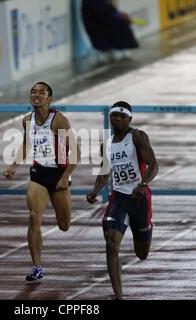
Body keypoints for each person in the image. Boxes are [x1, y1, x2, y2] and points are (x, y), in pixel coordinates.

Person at [4, 82, 81, 281]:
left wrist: (65, 178)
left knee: (64, 225)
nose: (36, 95)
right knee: (33, 216)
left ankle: (39, 259)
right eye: (33, 92)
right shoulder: (26, 121)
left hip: (59, 175)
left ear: (49, 99)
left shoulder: (59, 121)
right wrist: (14, 165)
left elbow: (76, 153)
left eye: (41, 93)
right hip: (38, 173)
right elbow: (27, 143)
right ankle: (37, 266)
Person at [86, 101, 158, 299]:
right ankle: (119, 296)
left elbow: (154, 165)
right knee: (111, 242)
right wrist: (95, 190)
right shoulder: (107, 144)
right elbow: (104, 172)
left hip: (140, 199)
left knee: (141, 254)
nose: (117, 119)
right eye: (114, 116)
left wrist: (143, 185)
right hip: (118, 198)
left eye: (121, 116)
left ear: (129, 119)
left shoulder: (137, 137)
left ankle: (147, 227)